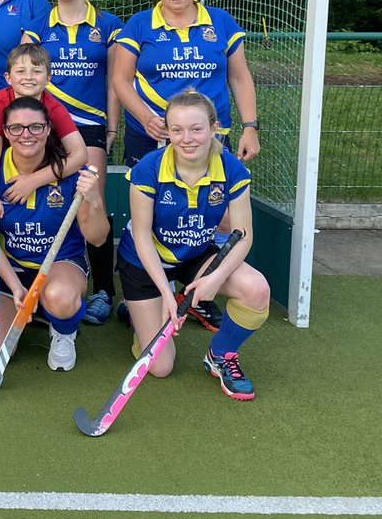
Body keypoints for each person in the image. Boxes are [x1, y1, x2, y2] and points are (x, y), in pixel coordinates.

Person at [113, 0, 261, 329]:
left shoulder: (220, 22)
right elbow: (120, 80)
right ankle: (145, 290)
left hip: (208, 140)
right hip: (151, 136)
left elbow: (240, 77)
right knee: (153, 215)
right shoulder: (141, 24)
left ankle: (199, 291)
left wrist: (250, 125)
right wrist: (146, 116)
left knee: (219, 217)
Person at [115, 90, 270, 400]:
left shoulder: (231, 169)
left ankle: (220, 355)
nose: (187, 139)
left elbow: (243, 235)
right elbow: (142, 236)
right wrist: (166, 295)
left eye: (196, 129)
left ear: (214, 127)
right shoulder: (149, 168)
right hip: (145, 263)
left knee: (257, 289)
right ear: (168, 131)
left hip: (196, 255)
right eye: (177, 130)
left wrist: (214, 279)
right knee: (161, 367)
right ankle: (138, 313)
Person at [0, 97, 107, 371]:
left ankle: (64, 328)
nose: (26, 135)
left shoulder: (72, 172)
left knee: (60, 298)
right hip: (12, 269)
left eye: (35, 127)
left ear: (47, 129)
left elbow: (98, 238)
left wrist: (93, 200)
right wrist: (15, 285)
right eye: (16, 128)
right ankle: (35, 305)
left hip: (60, 264)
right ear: (6, 132)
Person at [25, 0, 123, 325]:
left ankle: (103, 290)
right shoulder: (36, 28)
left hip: (90, 125)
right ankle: (44, 276)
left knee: (91, 198)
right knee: (44, 197)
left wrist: (112, 129)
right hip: (44, 125)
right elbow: (26, 78)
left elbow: (116, 83)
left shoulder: (109, 25)